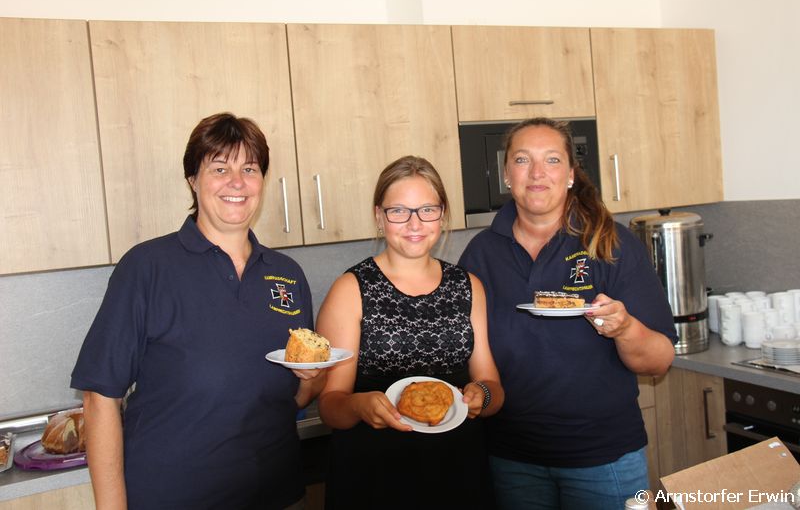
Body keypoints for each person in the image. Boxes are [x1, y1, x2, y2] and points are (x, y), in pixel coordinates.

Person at [71, 112, 325, 510]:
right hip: (174, 496)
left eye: (249, 169)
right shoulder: (147, 267)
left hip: (277, 493)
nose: (237, 182)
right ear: (193, 179)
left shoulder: (287, 275)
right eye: (220, 168)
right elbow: (99, 396)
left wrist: (312, 376)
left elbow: (297, 393)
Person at [458, 117, 678, 510]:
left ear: (571, 174)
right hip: (511, 457)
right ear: (506, 174)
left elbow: (659, 361)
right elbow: (465, 347)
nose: (537, 172)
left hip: (603, 456)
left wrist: (624, 328)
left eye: (552, 160)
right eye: (522, 160)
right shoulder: (481, 252)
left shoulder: (610, 242)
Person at [315, 155, 504, 509]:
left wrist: (483, 396)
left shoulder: (468, 286)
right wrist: (357, 405)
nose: (414, 223)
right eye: (399, 211)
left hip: (458, 472)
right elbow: (330, 405)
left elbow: (492, 385)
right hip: (373, 477)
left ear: (442, 214)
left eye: (427, 210)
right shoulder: (350, 289)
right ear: (379, 216)